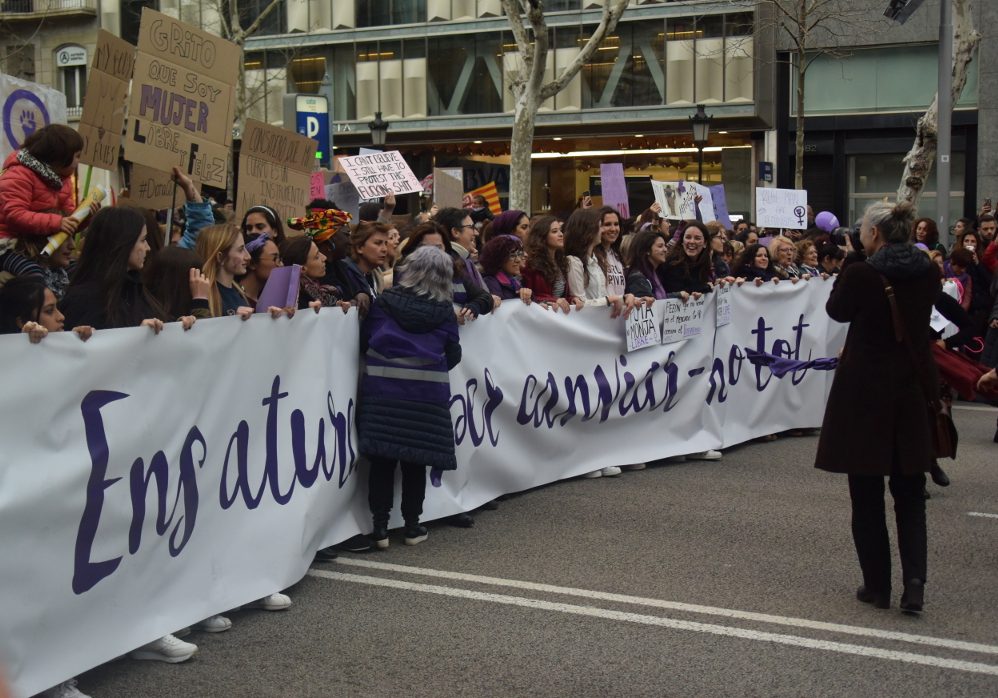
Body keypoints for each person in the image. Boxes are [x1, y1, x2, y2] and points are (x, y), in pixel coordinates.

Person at [815, 200, 938, 614]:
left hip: (865, 393)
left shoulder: (863, 273)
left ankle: (877, 585)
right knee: (909, 493)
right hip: (909, 389)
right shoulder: (928, 271)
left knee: (866, 493)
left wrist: (850, 263)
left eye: (865, 230)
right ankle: (915, 583)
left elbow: (837, 310)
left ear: (875, 235)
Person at [358, 246, 463, 547]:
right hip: (426, 396)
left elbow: (366, 340)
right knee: (416, 461)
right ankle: (412, 526)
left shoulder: (386, 302)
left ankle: (379, 528)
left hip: (383, 391)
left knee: (382, 460)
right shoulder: (444, 311)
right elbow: (453, 353)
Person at [60, 207, 169, 331]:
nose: (148, 248)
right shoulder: (83, 301)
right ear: (123, 243)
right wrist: (137, 335)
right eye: (143, 240)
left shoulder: (135, 289)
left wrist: (180, 324)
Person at [0, 124, 91, 240]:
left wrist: (85, 214)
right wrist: (57, 223)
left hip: (39, 243)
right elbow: (15, 215)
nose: (79, 162)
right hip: (9, 243)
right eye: (77, 156)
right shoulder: (19, 174)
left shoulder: (63, 180)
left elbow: (68, 222)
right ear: (60, 156)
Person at [521, 215, 581, 313]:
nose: (561, 234)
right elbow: (528, 295)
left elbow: (562, 297)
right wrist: (554, 300)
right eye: (554, 231)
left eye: (560, 230)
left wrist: (572, 299)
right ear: (542, 236)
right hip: (540, 316)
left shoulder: (561, 261)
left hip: (557, 315)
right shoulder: (530, 263)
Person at [195, 224, 253, 317]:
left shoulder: (239, 291)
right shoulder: (205, 295)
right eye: (240, 250)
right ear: (220, 257)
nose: (248, 256)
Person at [280, 235, 351, 311]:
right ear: (302, 268)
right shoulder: (296, 301)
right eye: (317, 257)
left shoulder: (319, 290)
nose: (324, 258)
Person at [338, 222, 389, 308]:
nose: (384, 249)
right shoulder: (347, 276)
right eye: (377, 243)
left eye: (386, 243)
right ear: (359, 248)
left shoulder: (375, 277)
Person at [660, 221, 714, 300]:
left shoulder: (705, 263)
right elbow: (678, 291)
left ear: (705, 243)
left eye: (697, 238)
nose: (692, 241)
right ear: (682, 241)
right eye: (688, 237)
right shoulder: (672, 263)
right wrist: (706, 287)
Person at [479, 234, 532, 303]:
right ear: (498, 259)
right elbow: (500, 310)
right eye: (512, 256)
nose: (518, 260)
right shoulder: (491, 281)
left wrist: (530, 297)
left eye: (519, 254)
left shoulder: (515, 280)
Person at [238, 233, 283, 306]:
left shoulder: (269, 302)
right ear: (252, 263)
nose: (281, 265)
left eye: (280, 259)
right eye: (275, 258)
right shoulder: (236, 300)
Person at [624, 230, 669, 300]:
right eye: (660, 246)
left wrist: (678, 295)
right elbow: (649, 305)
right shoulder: (637, 278)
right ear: (647, 250)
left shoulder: (655, 273)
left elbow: (660, 299)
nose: (665, 249)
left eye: (665, 246)